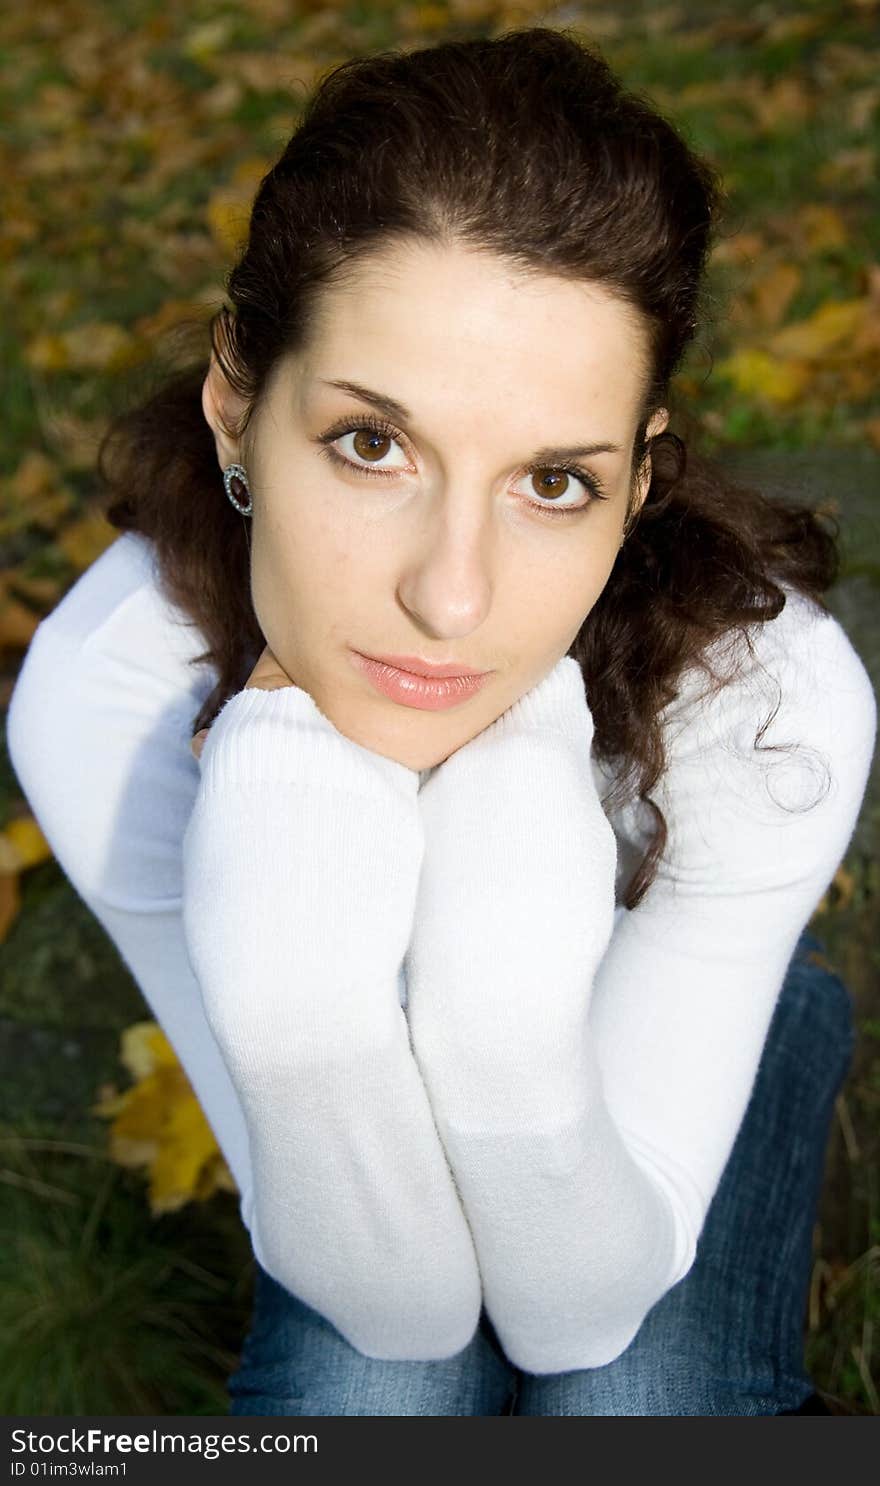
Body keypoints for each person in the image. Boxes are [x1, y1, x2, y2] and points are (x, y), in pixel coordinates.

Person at [6, 27, 876, 1416]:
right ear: (238, 401)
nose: (451, 597)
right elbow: (395, 1307)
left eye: (553, 480)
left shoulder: (770, 705)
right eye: (370, 443)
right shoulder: (112, 701)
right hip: (344, 1073)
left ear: (642, 473)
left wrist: (501, 993)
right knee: (370, 1389)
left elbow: (582, 1315)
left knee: (626, 1393)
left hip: (673, 1028)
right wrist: (295, 1014)